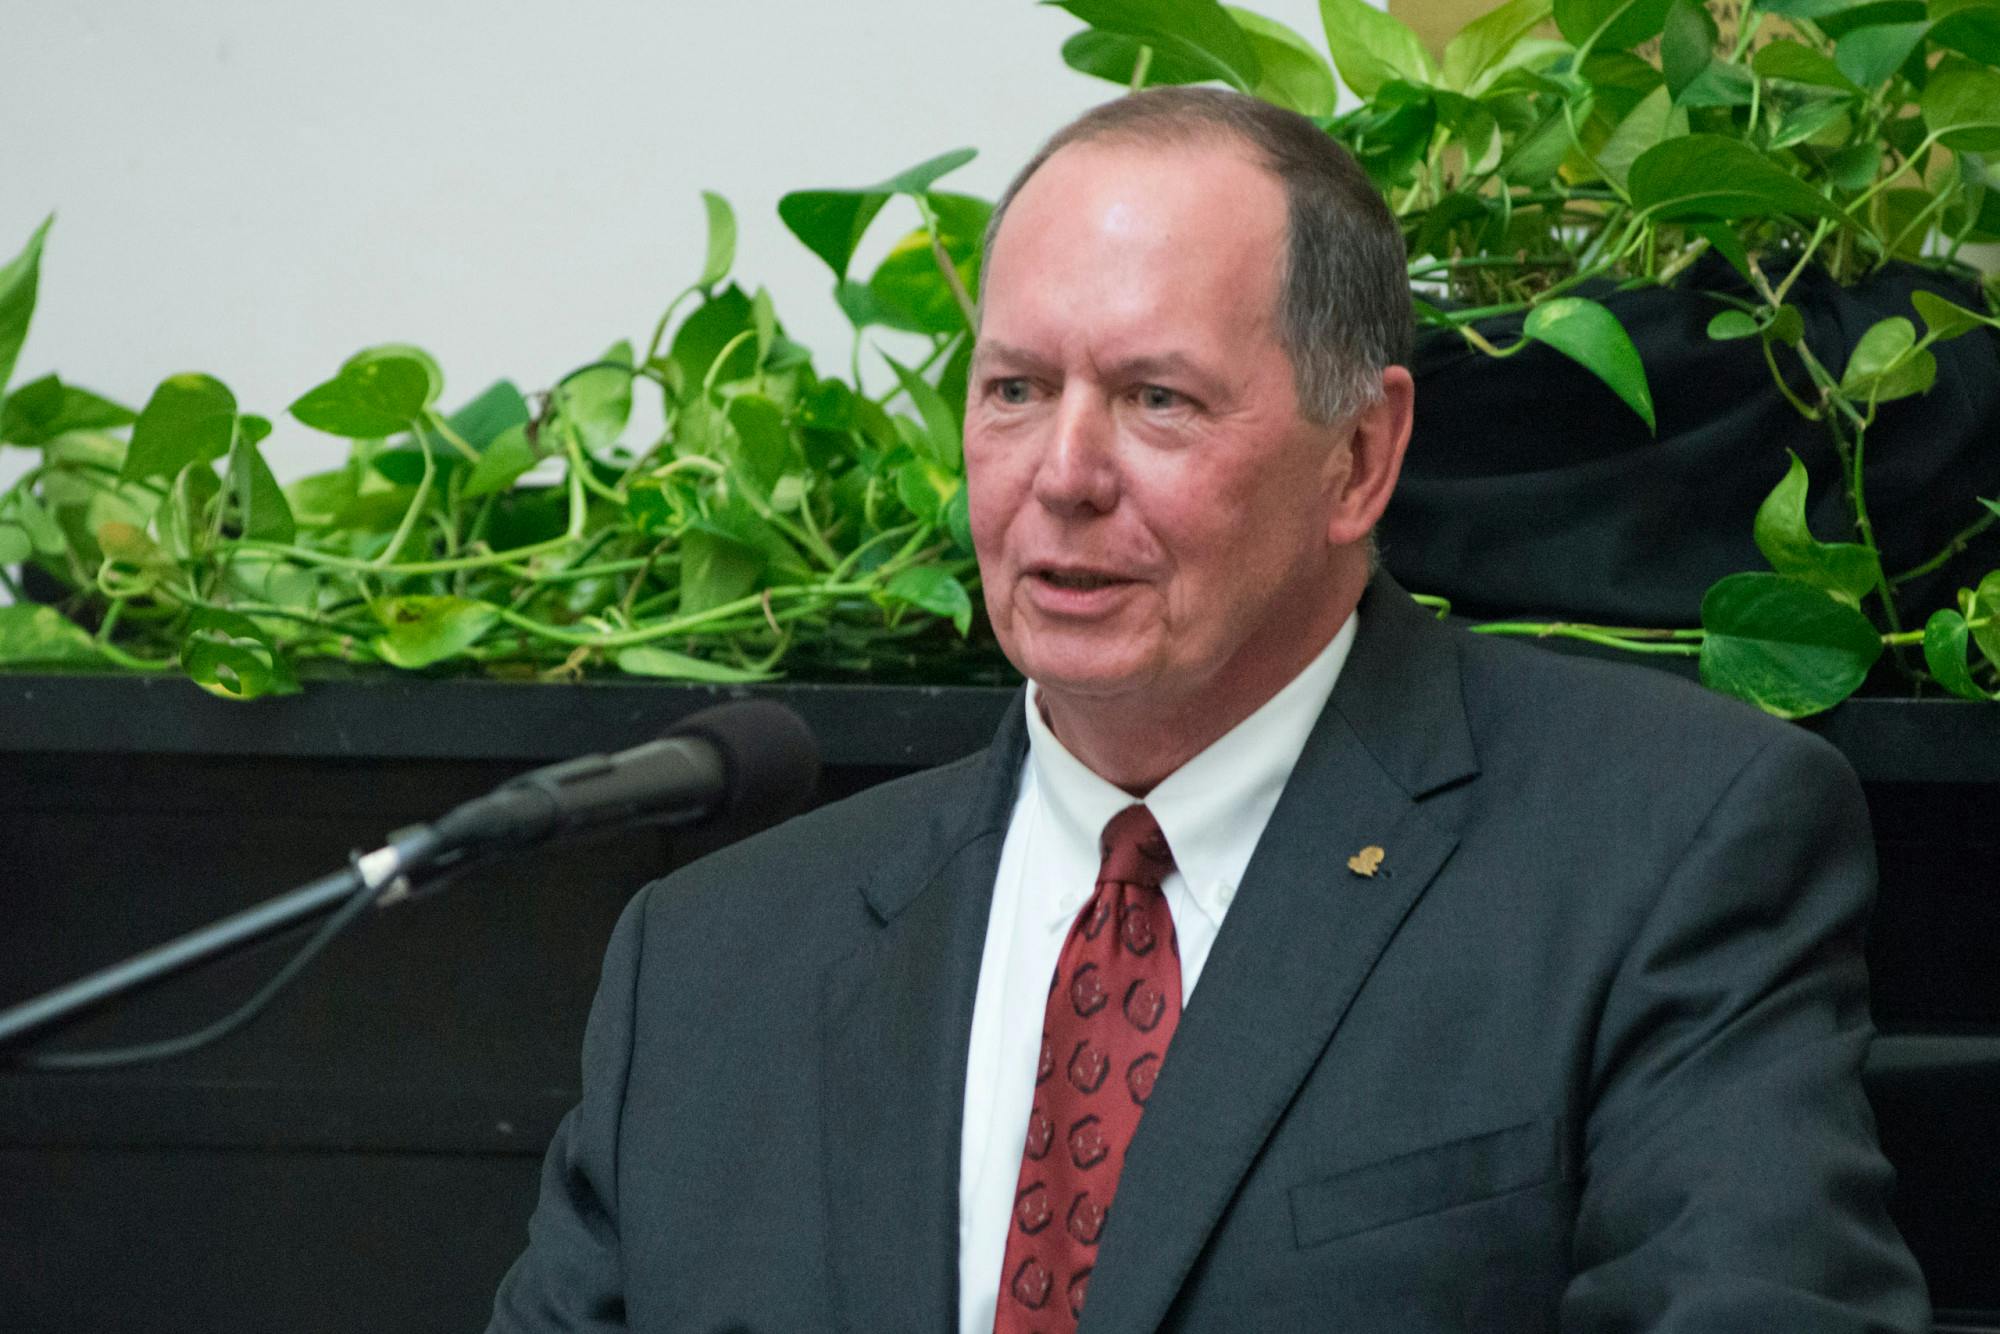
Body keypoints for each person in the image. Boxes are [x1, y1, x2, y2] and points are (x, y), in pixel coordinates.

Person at [487, 88, 1929, 1332]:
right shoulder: (709, 964)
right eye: (1013, 389)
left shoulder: (1659, 848)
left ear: (1360, 457)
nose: (1062, 471)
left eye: (1157, 399)